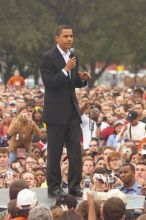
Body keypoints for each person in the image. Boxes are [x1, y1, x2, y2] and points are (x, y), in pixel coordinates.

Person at [40, 24, 91, 197]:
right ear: (57, 38)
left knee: (75, 151)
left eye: (71, 36)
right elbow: (50, 83)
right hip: (55, 114)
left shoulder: (73, 55)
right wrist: (65, 69)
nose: (69, 39)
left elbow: (73, 82)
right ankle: (54, 186)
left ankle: (74, 186)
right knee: (54, 152)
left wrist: (81, 79)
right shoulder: (48, 57)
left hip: (72, 112)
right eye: (66, 36)